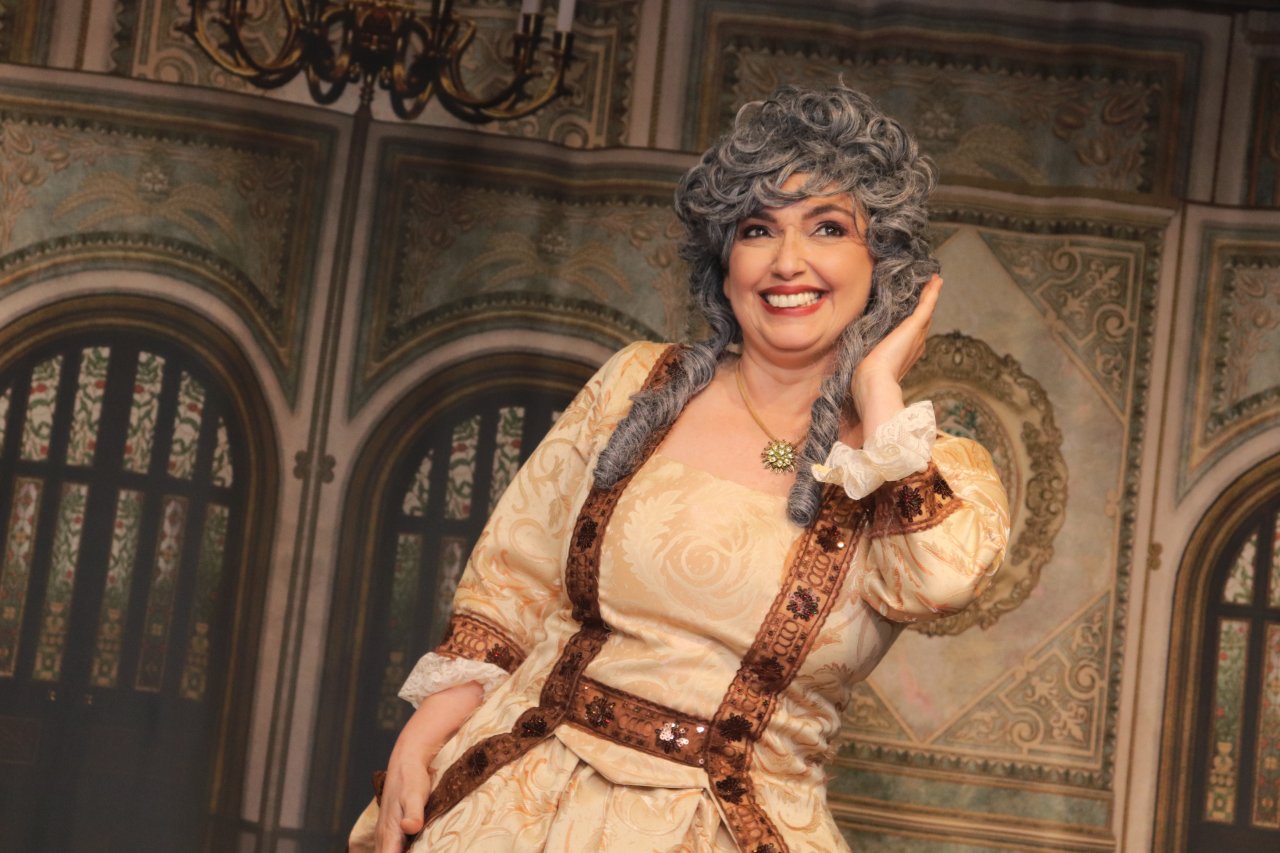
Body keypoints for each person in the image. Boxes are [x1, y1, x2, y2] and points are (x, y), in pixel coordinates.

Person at [349, 84, 1009, 853]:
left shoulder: (917, 463)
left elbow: (938, 582)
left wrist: (878, 391)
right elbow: (511, 586)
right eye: (758, 229)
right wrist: (420, 739)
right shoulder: (638, 385)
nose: (787, 261)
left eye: (828, 227)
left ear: (882, 262)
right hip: (519, 801)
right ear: (725, 262)